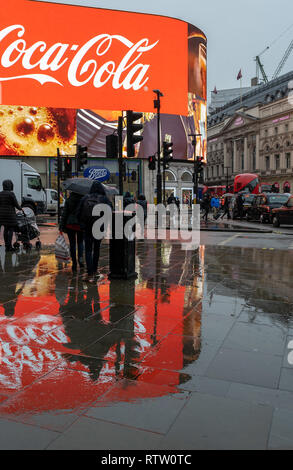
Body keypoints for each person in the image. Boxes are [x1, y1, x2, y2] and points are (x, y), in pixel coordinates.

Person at [77, 181, 112, 282]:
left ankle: (90, 272)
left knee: (88, 250)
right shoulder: (104, 199)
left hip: (87, 227)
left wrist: (82, 224)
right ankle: (95, 269)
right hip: (99, 227)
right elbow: (110, 211)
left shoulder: (85, 198)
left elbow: (78, 212)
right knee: (96, 249)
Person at [59, 191, 84, 273]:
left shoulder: (69, 200)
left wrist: (61, 225)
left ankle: (74, 262)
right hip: (80, 224)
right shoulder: (83, 200)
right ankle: (80, 259)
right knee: (80, 242)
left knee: (72, 244)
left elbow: (65, 213)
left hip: (70, 224)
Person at [0, 180, 22, 252]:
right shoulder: (11, 194)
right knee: (11, 230)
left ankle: (6, 245)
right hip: (10, 215)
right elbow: (16, 204)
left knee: (5, 230)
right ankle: (9, 247)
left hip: (2, 215)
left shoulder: (0, 194)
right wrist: (21, 208)